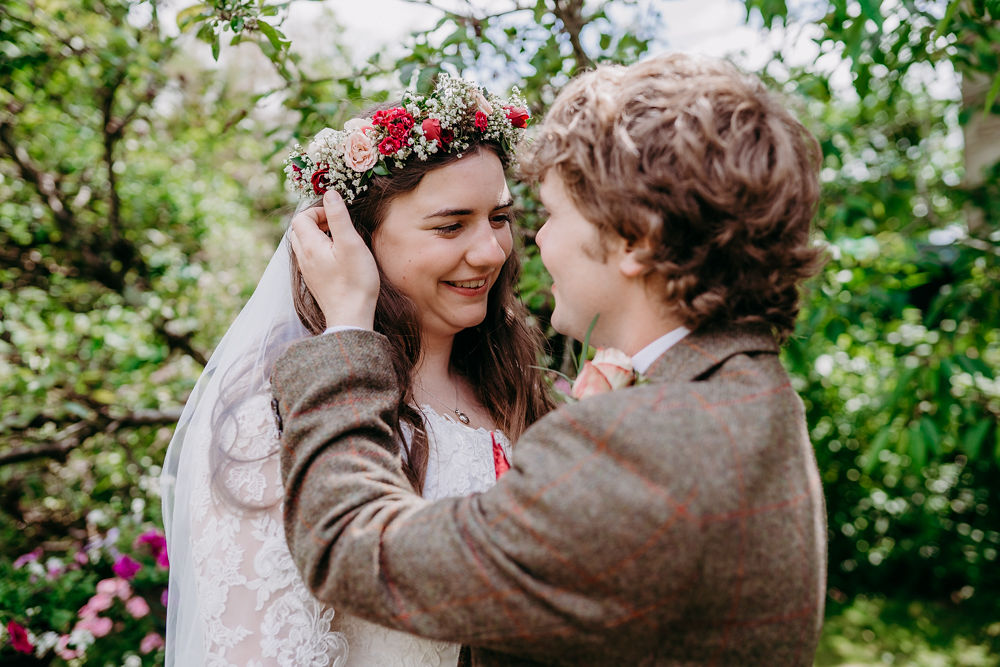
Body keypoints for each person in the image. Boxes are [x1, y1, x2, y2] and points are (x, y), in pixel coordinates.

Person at [272, 52, 829, 665]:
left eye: (552, 214)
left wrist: (347, 331)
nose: (528, 243)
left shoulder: (645, 444)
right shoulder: (753, 390)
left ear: (635, 240)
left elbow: (352, 549)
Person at [160, 74, 553, 666]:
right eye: (451, 225)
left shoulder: (511, 389)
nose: (492, 251)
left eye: (499, 217)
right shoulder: (272, 420)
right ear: (354, 238)